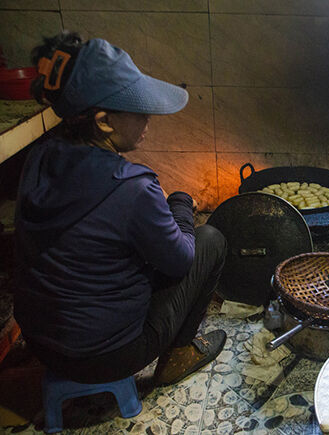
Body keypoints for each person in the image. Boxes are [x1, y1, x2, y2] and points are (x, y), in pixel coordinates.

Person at [13, 31, 228, 385]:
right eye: (139, 111)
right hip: (106, 356)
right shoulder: (131, 187)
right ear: (102, 120)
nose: (148, 121)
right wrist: (181, 203)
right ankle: (178, 355)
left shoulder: (41, 156)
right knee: (209, 240)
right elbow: (180, 260)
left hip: (43, 344)